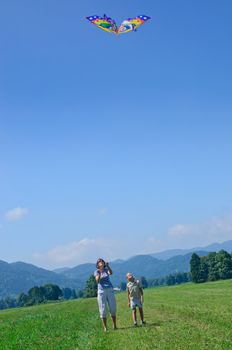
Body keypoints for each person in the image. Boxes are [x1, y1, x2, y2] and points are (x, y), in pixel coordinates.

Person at [94, 258, 117, 331]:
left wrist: (108, 266)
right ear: (97, 265)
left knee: (113, 308)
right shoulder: (96, 272)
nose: (101, 263)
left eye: (102, 261)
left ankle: (114, 325)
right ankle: (105, 327)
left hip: (110, 289)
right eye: (99, 262)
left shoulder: (106, 270)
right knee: (102, 310)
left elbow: (111, 273)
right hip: (101, 291)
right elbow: (97, 281)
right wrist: (100, 272)